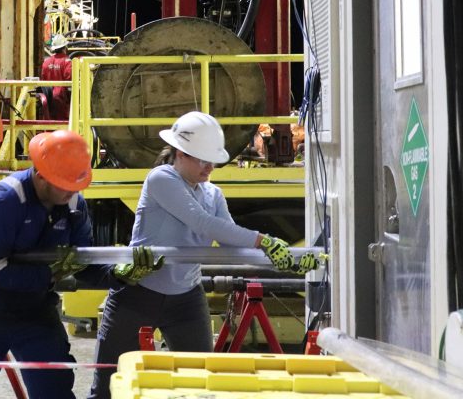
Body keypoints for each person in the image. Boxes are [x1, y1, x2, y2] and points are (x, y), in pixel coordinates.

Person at [88, 111, 318, 399]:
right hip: (137, 294)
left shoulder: (212, 194)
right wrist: (264, 240)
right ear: (180, 153)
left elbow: (230, 241)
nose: (210, 167)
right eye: (202, 159)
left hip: (186, 298)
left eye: (213, 160)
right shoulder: (161, 179)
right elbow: (202, 223)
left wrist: (287, 259)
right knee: (106, 385)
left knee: (198, 386)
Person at [0, 130, 99, 398]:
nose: (72, 191)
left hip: (33, 309)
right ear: (41, 176)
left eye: (76, 184)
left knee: (54, 390)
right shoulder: (3, 201)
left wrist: (119, 275)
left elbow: (84, 258)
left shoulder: (72, 202)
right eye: (65, 183)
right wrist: (48, 275)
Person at [40, 34, 72, 121]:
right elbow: (69, 80)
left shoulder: (46, 62)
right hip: (62, 98)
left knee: (49, 122)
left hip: (47, 98)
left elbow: (43, 79)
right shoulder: (67, 62)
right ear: (65, 47)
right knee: (62, 125)